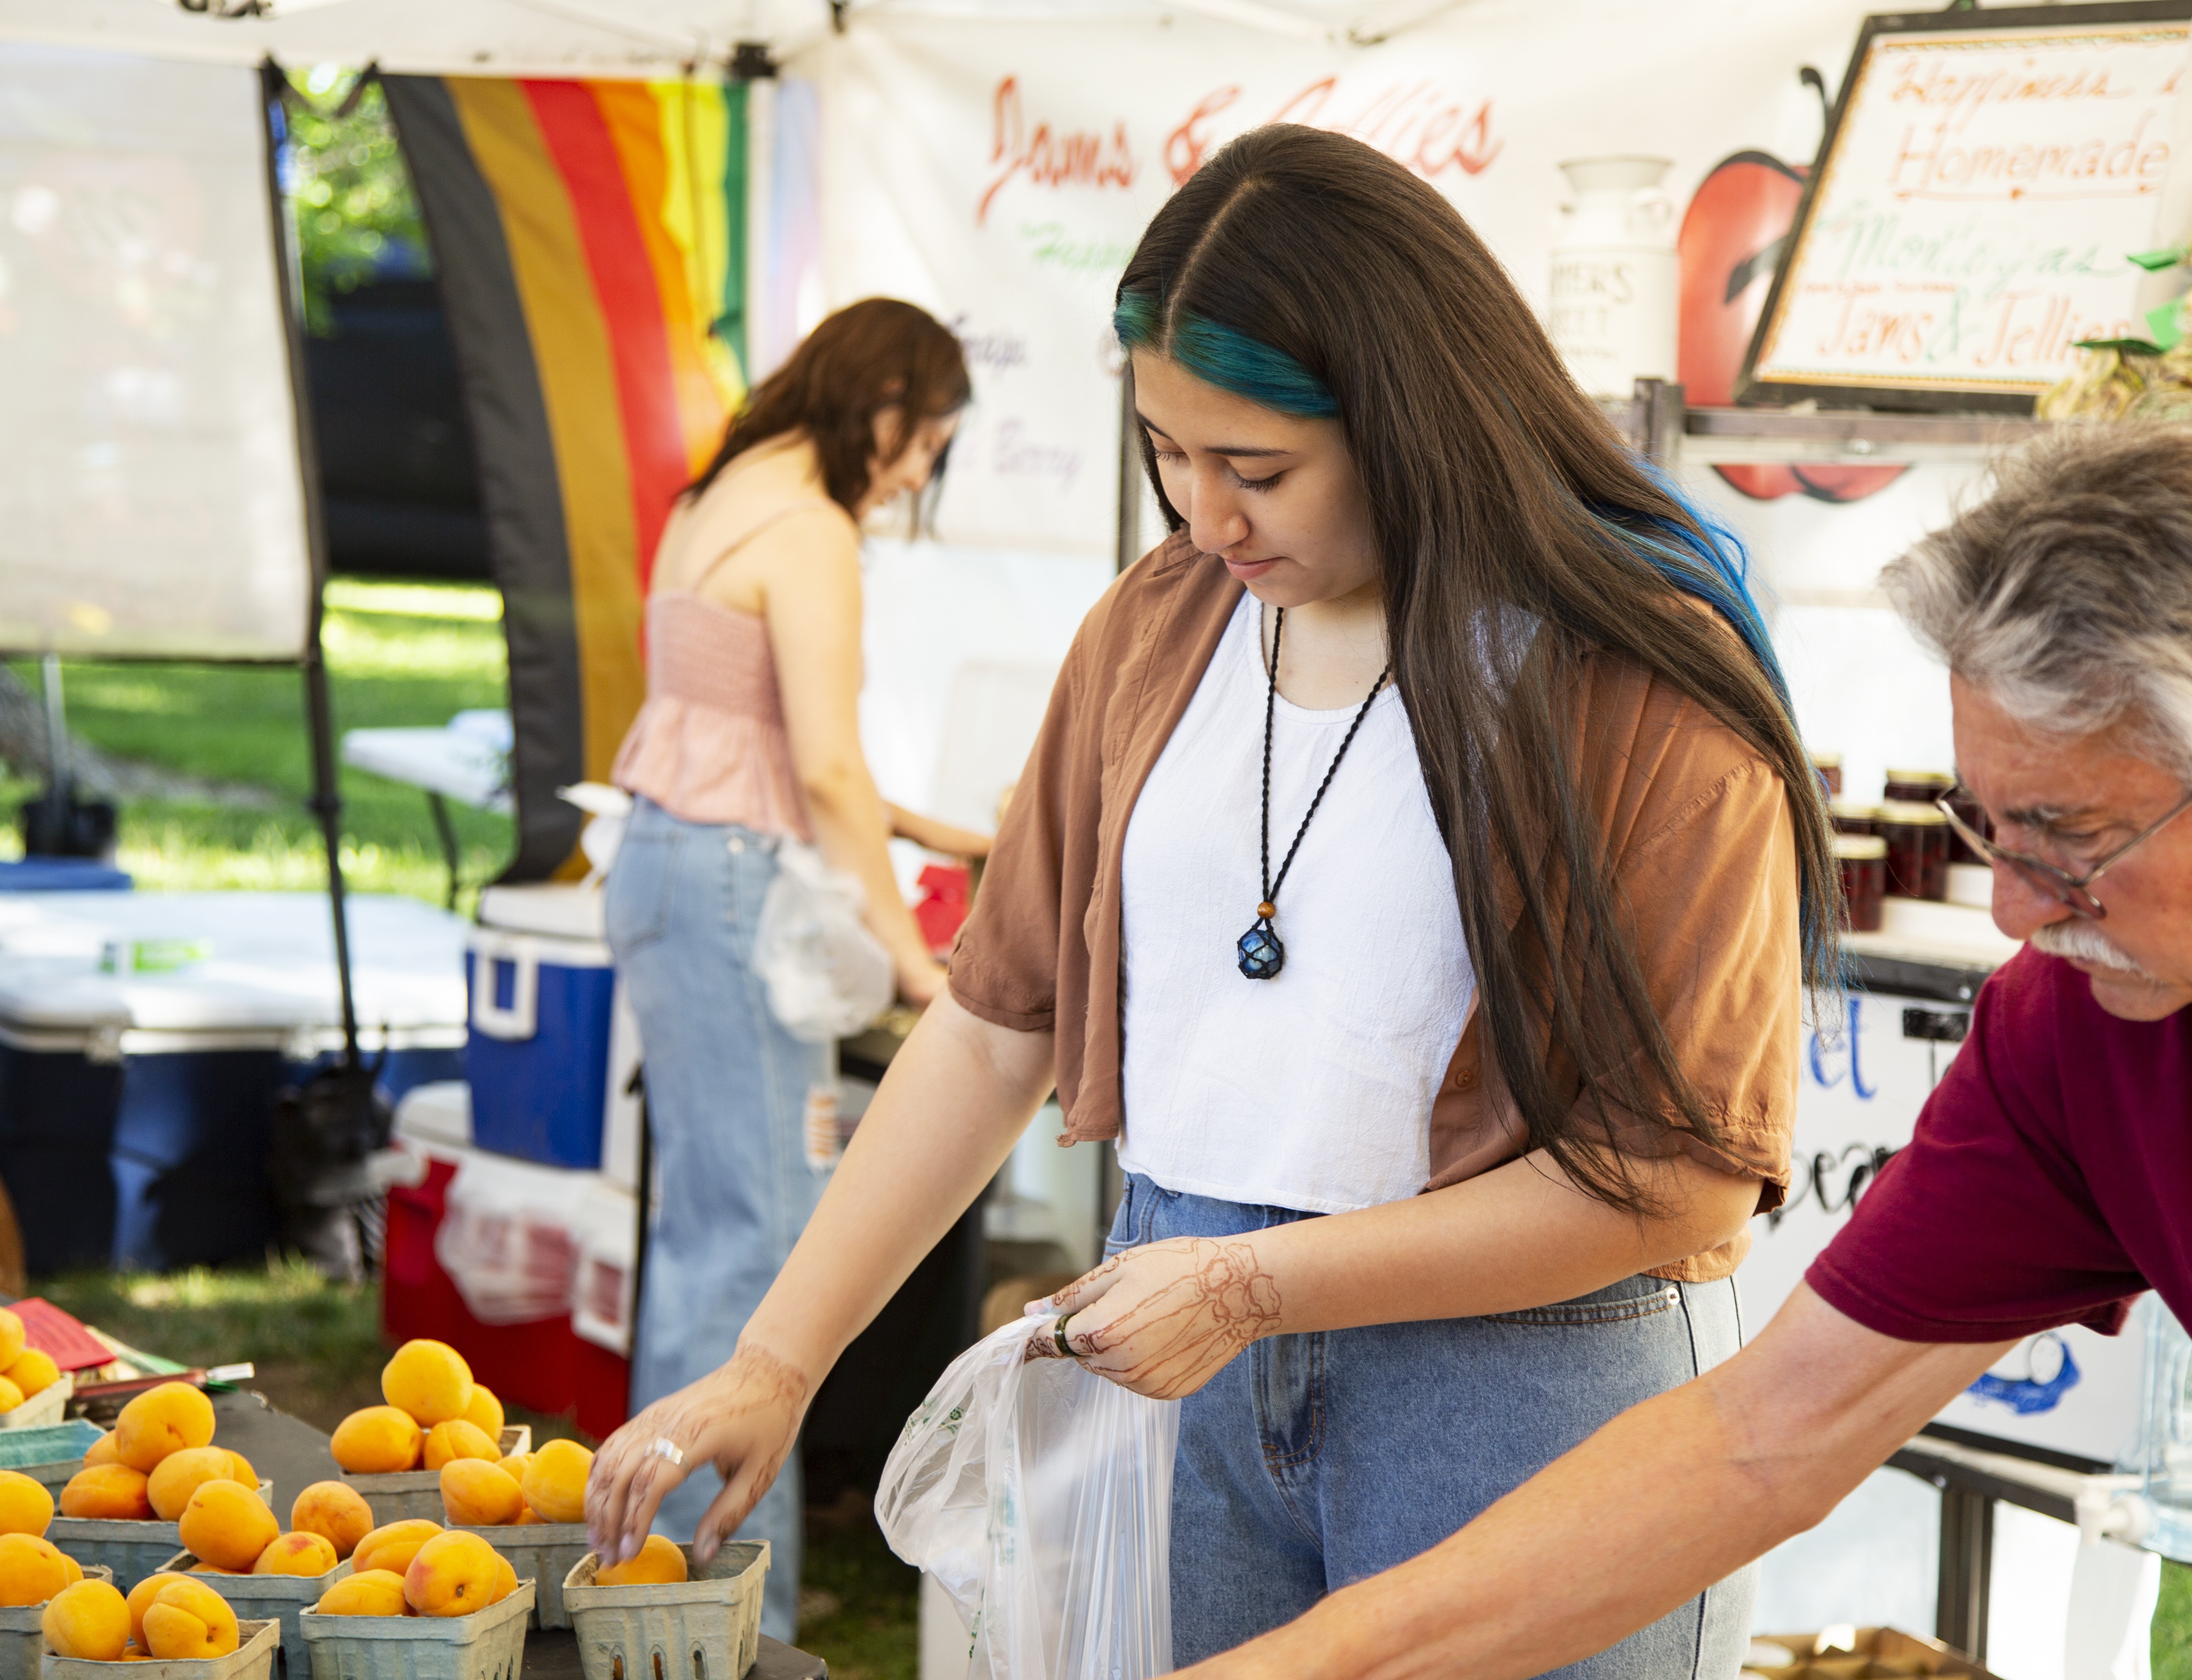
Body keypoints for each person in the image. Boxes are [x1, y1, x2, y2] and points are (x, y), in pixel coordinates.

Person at [588, 126, 1845, 1678]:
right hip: (1175, 1368)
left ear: (1412, 419)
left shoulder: (1627, 676)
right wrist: (776, 1364)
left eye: (1255, 468)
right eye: (1168, 455)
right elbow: (996, 1027)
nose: (1203, 518)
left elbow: (1676, 1181)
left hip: (1507, 1394)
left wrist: (1253, 1285)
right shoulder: (1154, 631)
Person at [1161, 424, 2192, 1679]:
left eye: (2072, 841)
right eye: (1989, 831)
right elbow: (1762, 1437)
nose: (2015, 912)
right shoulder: (2082, 1039)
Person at [603, 297, 991, 1641]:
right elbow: (818, 767)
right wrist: (909, 958)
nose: (915, 474)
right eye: (925, 439)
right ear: (881, 403)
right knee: (762, 1253)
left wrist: (928, 831)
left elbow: (743, 729)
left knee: (705, 1235)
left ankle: (655, 1571)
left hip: (663, 866)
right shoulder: (814, 531)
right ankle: (727, 1608)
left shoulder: (720, 494)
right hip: (729, 886)